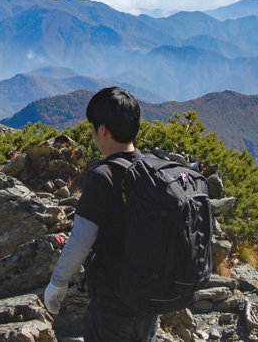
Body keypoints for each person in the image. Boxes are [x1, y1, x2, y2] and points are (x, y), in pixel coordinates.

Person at [44, 87, 159, 342]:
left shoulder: (103, 176)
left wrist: (58, 282)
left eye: (93, 127)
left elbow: (81, 239)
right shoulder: (153, 169)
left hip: (113, 305)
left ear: (103, 129)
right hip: (150, 303)